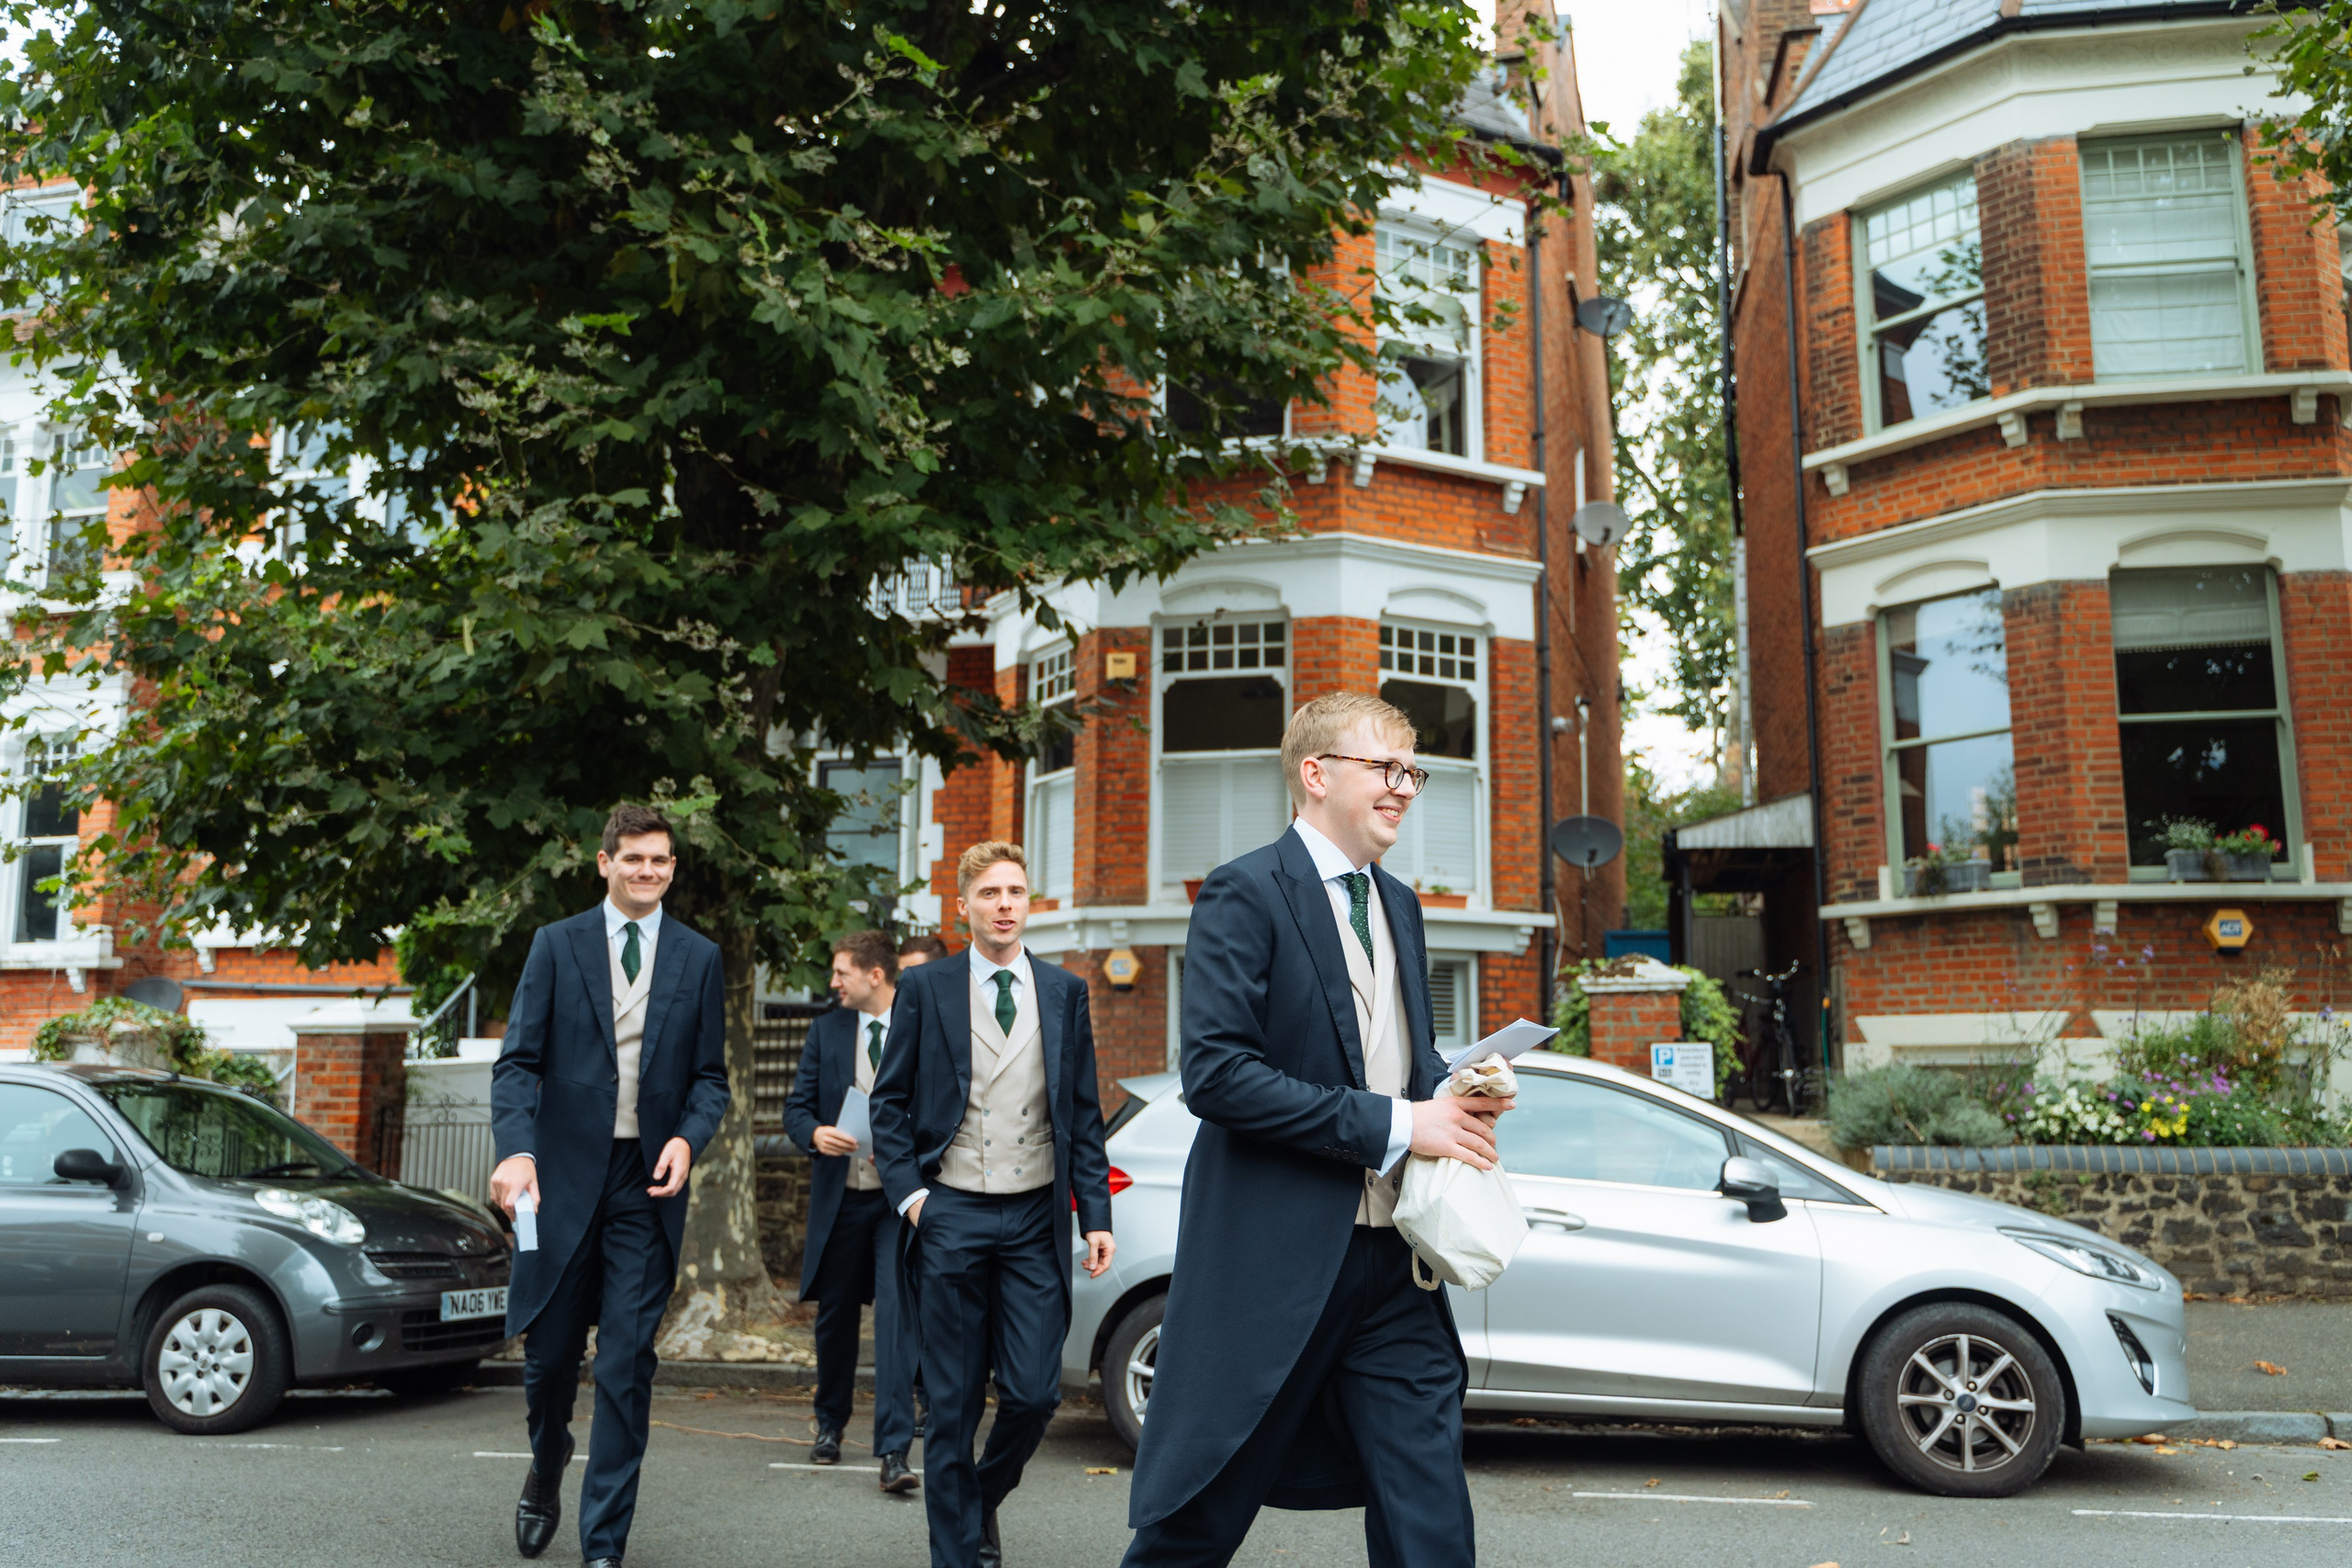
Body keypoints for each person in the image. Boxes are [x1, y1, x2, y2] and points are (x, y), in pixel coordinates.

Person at [1120, 693, 1514, 1568]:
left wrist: (1459, 1092)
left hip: (1396, 1270)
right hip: (1278, 1267)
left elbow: (1398, 1067)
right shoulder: (1244, 890)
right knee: (1197, 1521)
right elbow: (1217, 1076)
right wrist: (1404, 1119)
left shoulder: (1402, 906)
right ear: (1316, 773)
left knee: (1431, 1517)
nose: (1405, 788)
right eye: (1386, 767)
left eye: (1412, 772)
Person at [489, 805, 729, 1568]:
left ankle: (604, 1544)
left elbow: (710, 1078)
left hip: (645, 1185)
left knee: (625, 1362)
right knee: (552, 1358)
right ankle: (547, 1461)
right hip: (560, 1179)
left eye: (660, 860)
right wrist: (518, 1152)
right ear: (604, 862)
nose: (648, 871)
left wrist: (689, 1139)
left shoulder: (700, 956)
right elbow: (517, 1063)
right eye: (633, 859)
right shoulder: (555, 946)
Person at [870, 841, 1117, 1568]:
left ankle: (980, 1496)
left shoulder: (1065, 990)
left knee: (1036, 1393)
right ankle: (955, 1551)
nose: (1005, 903)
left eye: (1016, 890)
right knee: (949, 1405)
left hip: (1034, 1219)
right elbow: (888, 1104)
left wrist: (1095, 1214)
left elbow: (1083, 1112)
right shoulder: (926, 989)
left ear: (1028, 901)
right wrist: (913, 1197)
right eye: (990, 892)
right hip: (949, 1212)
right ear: (964, 906)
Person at [782, 930, 921, 1494]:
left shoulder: (919, 1026)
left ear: (875, 976)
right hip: (841, 1201)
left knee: (895, 1321)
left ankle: (893, 1451)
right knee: (835, 1319)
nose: (832, 982)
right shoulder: (826, 1031)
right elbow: (794, 1110)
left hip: (897, 1204)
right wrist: (816, 1133)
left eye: (841, 973)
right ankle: (830, 1426)